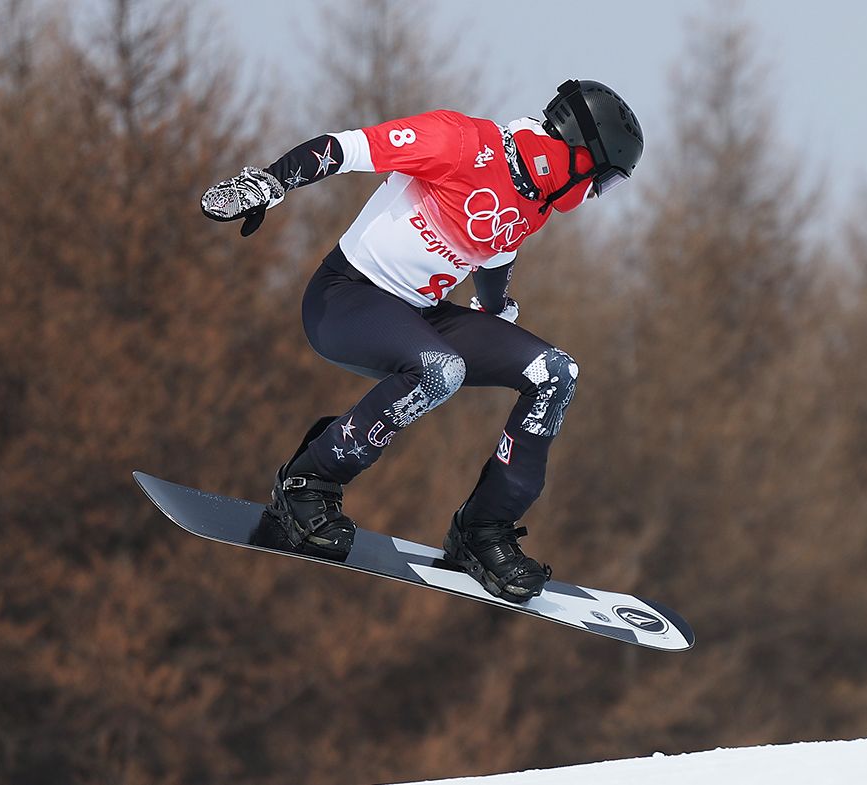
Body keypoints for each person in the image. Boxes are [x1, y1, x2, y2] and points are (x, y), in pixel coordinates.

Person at [199, 80, 642, 603]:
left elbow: (498, 249)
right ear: (579, 155)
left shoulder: (537, 198)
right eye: (606, 181)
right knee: (442, 370)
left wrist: (497, 311)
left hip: (422, 315)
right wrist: (267, 183)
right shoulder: (460, 142)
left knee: (555, 373)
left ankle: (482, 531)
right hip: (346, 299)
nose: (597, 195)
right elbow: (346, 149)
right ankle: (308, 481)